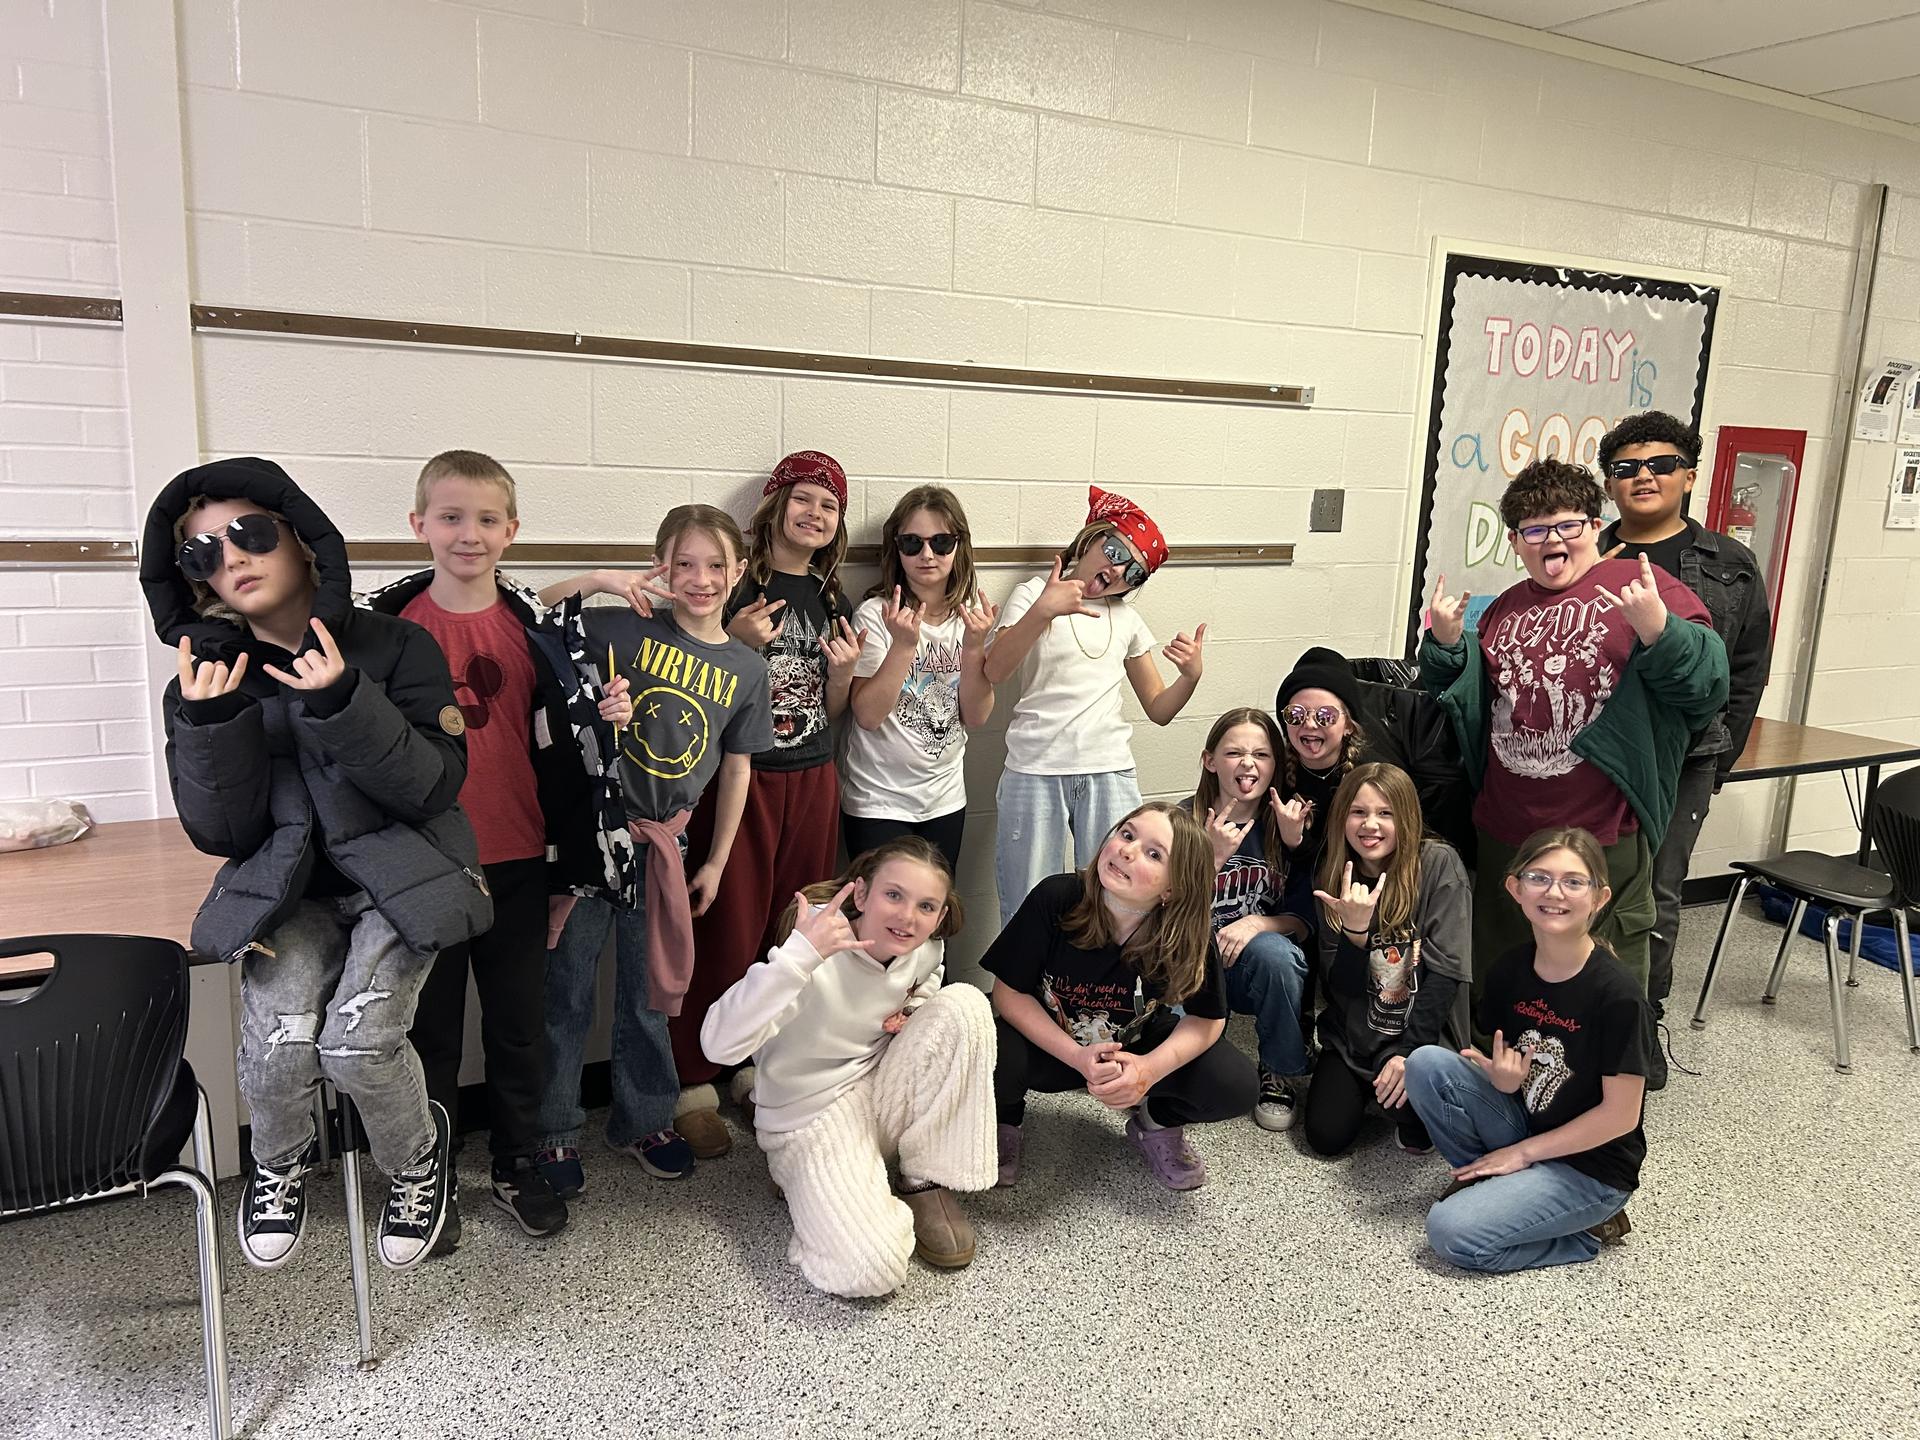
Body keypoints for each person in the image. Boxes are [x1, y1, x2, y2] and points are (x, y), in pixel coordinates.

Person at [140, 456, 489, 1271]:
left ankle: (417, 1163)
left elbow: (432, 787)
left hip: (398, 880)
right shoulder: (202, 680)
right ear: (192, 581)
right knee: (276, 1051)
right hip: (288, 896)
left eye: (249, 533)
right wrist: (211, 725)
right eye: (201, 552)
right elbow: (222, 833)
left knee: (358, 1045)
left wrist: (340, 701)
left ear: (302, 540)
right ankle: (278, 1162)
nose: (231, 557)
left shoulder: (396, 646)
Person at [364, 449, 635, 1248]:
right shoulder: (385, 632)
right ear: (418, 525)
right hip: (423, 868)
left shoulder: (540, 636)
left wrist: (605, 718)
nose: (468, 534)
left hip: (519, 861)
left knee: (520, 1027)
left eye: (486, 519)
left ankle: (517, 1162)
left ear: (511, 530)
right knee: (429, 1035)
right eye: (450, 517)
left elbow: (574, 754)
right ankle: (429, 1174)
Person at [1422, 457, 1729, 1003]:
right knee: (1503, 977)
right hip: (1507, 828)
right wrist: (1447, 647)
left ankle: (1611, 1059)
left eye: (1568, 525)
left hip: (1602, 833)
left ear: (1595, 526)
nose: (1553, 540)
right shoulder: (1503, 609)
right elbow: (1468, 701)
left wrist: (1660, 630)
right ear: (1515, 542)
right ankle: (1496, 1058)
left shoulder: (1639, 587)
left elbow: (1708, 686)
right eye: (1535, 531)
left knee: (1603, 985)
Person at [531, 505, 773, 1195]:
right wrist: (600, 580)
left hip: (667, 845)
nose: (700, 579)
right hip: (592, 835)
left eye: (716, 565)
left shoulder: (745, 668)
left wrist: (716, 861)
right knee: (566, 989)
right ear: (660, 566)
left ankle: (644, 1118)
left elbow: (737, 768)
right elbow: (532, 612)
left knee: (649, 993)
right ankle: (552, 1130)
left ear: (738, 570)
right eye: (684, 564)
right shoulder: (622, 626)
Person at [701, 838, 996, 1299]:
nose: (907, 917)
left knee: (967, 1006)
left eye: (925, 906)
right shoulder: (814, 952)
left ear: (940, 917)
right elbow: (716, 1044)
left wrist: (914, 1010)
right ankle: (792, 1153)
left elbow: (929, 978)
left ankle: (923, 1180)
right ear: (861, 894)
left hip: (878, 1089)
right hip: (812, 1115)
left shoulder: (926, 949)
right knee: (871, 1267)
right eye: (893, 895)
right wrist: (799, 957)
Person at [676, 451, 863, 1156]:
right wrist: (737, 644)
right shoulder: (731, 585)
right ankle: (693, 1076)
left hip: (813, 777)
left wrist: (843, 675)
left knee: (792, 930)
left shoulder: (832, 598)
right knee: (726, 925)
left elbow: (829, 710)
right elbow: (693, 689)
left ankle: (756, 1065)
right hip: (741, 778)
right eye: (804, 498)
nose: (815, 514)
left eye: (830, 505)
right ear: (775, 505)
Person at [1597, 411, 1771, 1087]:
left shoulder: (1729, 565)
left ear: (1689, 476)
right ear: (1610, 484)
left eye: (1661, 464)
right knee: (1585, 883)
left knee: (1658, 894)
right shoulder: (1586, 553)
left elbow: (1747, 667)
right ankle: (1579, 1016)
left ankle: (1640, 1024)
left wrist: (1719, 757)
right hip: (1599, 750)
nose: (1644, 476)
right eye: (1627, 468)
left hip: (1686, 757)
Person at [1403, 827, 1649, 1272]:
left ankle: (1584, 1234)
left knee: (1450, 1232)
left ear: (1599, 898)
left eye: (1573, 882)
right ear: (1516, 888)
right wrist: (1503, 1080)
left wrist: (1523, 1154)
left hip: (1591, 1170)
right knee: (1424, 1064)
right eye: (1539, 878)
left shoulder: (1618, 995)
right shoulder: (1509, 970)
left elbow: (1621, 1116)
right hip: (1531, 1127)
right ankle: (1490, 1181)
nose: (1554, 892)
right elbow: (1522, 1068)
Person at [984, 802, 1258, 1191]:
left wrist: (1149, 1071)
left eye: (1153, 854)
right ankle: (1005, 1121)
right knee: (988, 1050)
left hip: (1132, 1049)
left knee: (1236, 1083)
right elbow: (1008, 993)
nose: (1127, 850)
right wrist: (1076, 1056)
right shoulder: (1057, 896)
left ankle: (1156, 1123)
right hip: (1052, 1046)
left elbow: (1208, 1018)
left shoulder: (1185, 931)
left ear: (1172, 889)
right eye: (1126, 834)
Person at [985, 486, 1207, 925]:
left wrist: (1190, 677)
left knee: (1121, 902)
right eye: (1115, 552)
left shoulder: (1126, 618)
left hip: (1108, 768)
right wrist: (1044, 611)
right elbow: (994, 669)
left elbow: (1159, 708)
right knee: (1028, 904)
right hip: (1035, 767)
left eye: (1134, 572)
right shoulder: (1033, 593)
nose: (1118, 570)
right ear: (1090, 539)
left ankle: (1104, 972)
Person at [1303, 762, 1470, 1158]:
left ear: (1406, 817)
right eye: (1358, 812)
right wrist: (1355, 932)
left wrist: (1408, 1053)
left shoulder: (1438, 864)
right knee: (1325, 1137)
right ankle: (1374, 1084)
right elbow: (1339, 988)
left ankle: (1402, 1094)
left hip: (1422, 1034)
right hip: (1355, 1036)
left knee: (1419, 1118)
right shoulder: (1333, 873)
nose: (1370, 825)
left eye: (1385, 813)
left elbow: (1445, 975)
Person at [841, 486, 998, 872]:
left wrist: (974, 647)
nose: (927, 555)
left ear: (959, 546)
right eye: (912, 543)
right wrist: (903, 645)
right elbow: (868, 716)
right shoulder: (876, 614)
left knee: (936, 904)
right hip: (878, 801)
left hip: (945, 799)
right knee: (877, 904)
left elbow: (977, 716)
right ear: (896, 549)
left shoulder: (970, 619)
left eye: (941, 543)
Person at [1187, 707, 1312, 1131]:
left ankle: (1277, 1069)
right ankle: (1187, 1052)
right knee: (1197, 1082)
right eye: (1234, 753)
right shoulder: (1183, 822)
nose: (1248, 764)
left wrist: (1259, 923)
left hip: (1252, 968)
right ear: (1209, 761)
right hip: (1191, 965)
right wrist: (1210, 860)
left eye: (1261, 754)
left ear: (1276, 764)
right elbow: (1158, 913)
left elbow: (1305, 920)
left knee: (1276, 953)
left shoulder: (1287, 826)